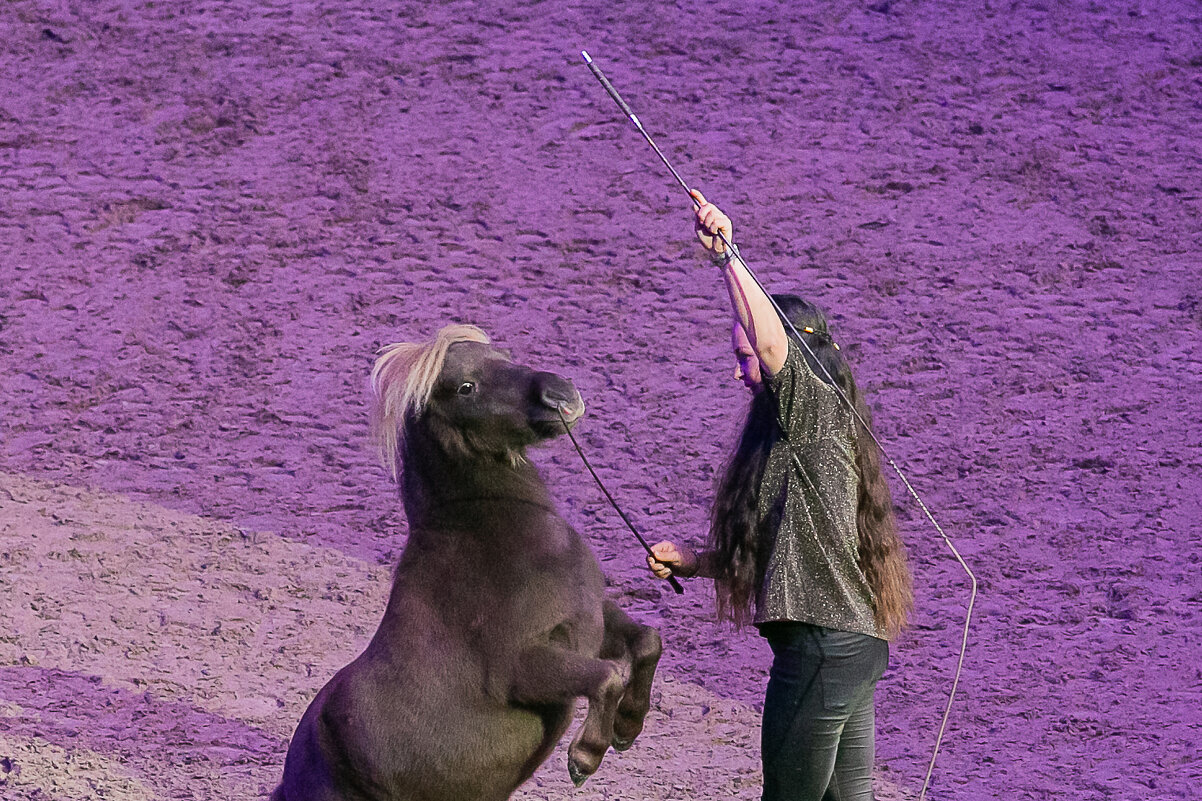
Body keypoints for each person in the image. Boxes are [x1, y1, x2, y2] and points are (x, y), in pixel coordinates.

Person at [648, 190, 913, 801]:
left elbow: (774, 347)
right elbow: (783, 551)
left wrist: (728, 256)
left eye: (747, 358)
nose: (741, 371)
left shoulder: (813, 401)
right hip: (850, 646)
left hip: (823, 647)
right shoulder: (795, 431)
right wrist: (696, 561)